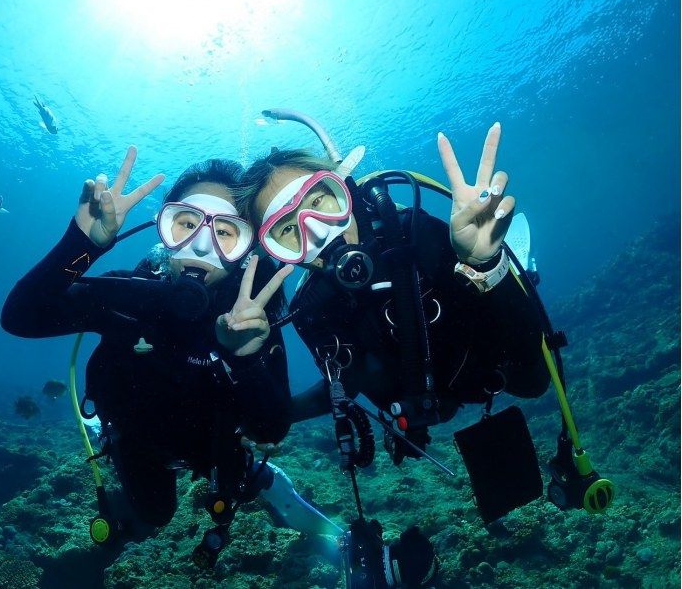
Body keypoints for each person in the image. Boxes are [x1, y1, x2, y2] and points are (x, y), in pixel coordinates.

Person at [236, 123, 552, 587]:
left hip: (483, 370)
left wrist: (484, 265)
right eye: (288, 229)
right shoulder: (310, 311)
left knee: (527, 381)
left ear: (345, 187)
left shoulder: (417, 236)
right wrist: (256, 400)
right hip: (418, 409)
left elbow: (534, 379)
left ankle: (516, 262)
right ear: (278, 252)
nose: (316, 232)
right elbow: (342, 384)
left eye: (320, 201)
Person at [1, 147, 340, 566]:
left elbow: (271, 427)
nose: (201, 246)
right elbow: (20, 317)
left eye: (226, 232)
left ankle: (264, 480)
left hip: (217, 446)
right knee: (154, 516)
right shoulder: (131, 298)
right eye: (186, 224)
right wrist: (81, 244)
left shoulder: (252, 318)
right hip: (140, 442)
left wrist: (246, 357)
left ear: (247, 248)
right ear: (164, 230)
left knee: (237, 484)